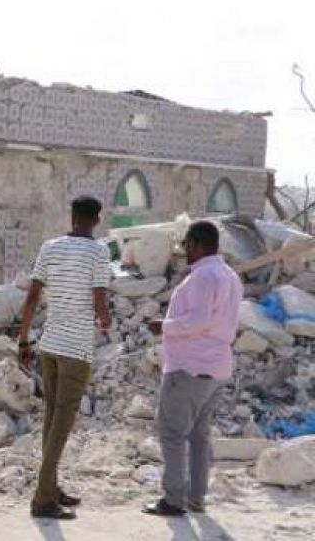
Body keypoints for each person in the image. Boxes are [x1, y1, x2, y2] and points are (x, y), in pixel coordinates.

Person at [19, 196, 112, 520]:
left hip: (50, 345)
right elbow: (100, 303)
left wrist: (23, 338)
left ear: (72, 216)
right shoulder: (99, 252)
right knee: (62, 423)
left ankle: (51, 486)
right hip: (76, 350)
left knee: (51, 419)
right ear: (96, 220)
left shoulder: (50, 247)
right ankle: (43, 499)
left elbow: (32, 297)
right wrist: (105, 319)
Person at [143, 221, 242, 517]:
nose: (184, 250)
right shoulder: (230, 276)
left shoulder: (203, 277)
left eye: (186, 244)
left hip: (190, 367)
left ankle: (173, 500)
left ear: (198, 244)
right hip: (217, 367)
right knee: (199, 436)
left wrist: (164, 326)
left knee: (173, 434)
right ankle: (196, 498)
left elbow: (198, 320)